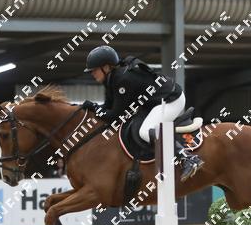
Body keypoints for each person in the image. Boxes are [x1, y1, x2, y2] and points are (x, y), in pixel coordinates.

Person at [81, 45, 203, 182]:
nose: (92, 73)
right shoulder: (112, 79)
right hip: (153, 102)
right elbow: (108, 107)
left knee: (145, 131)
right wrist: (93, 108)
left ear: (106, 67)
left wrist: (94, 107)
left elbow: (115, 116)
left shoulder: (122, 79)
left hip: (170, 99)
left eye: (94, 70)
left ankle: (187, 158)